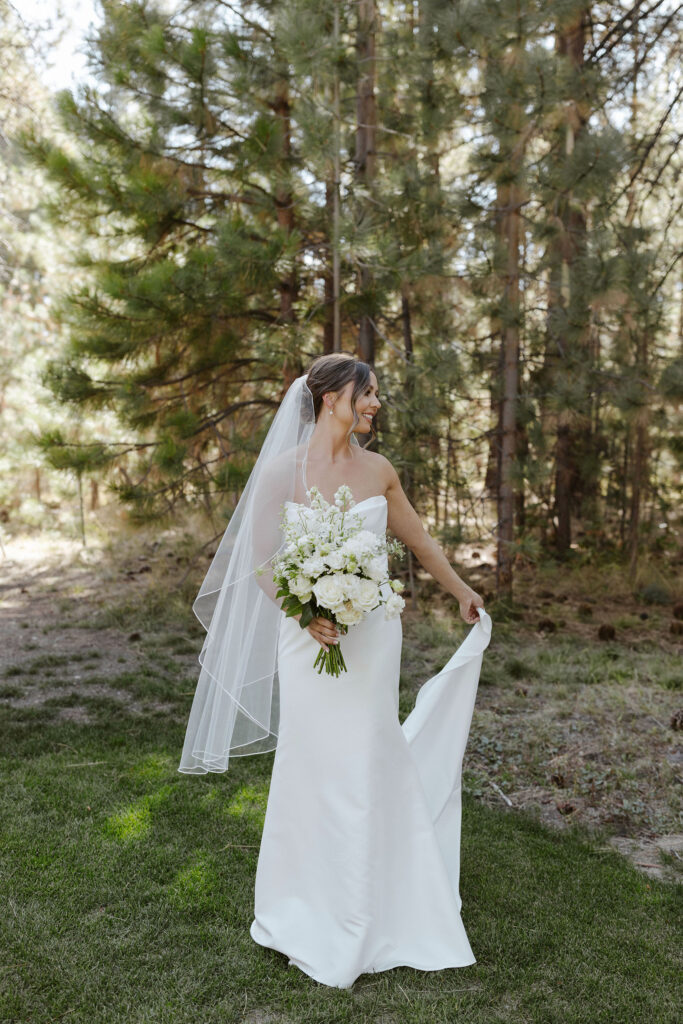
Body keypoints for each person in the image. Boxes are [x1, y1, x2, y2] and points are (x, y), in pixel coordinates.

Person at [179, 352, 491, 989]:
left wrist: (461, 589)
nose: (376, 403)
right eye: (367, 393)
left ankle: (381, 902)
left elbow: (419, 541)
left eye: (376, 394)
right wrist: (304, 614)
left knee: (369, 753)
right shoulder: (282, 470)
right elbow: (262, 561)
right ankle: (310, 906)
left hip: (372, 638)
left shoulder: (378, 470)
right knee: (312, 759)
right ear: (330, 398)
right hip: (307, 637)